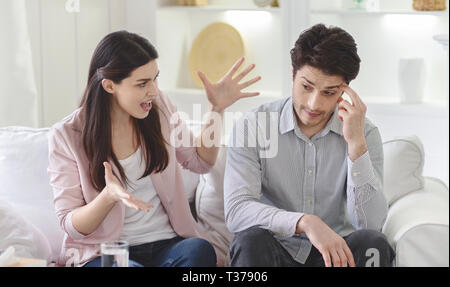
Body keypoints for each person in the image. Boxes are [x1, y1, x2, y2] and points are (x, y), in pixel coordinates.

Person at [47, 30, 261, 267]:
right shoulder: (67, 135)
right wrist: (108, 197)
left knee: (199, 251)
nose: (153, 90)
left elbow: (200, 162)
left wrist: (216, 109)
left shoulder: (159, 109)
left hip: (167, 245)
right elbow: (72, 226)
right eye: (142, 84)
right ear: (109, 86)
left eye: (155, 79)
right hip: (106, 252)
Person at [224, 23, 395, 267]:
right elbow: (237, 211)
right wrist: (304, 222)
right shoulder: (254, 126)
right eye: (306, 87)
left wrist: (356, 145)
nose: (314, 104)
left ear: (344, 90)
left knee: (373, 243)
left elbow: (371, 224)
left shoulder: (364, 132)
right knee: (250, 240)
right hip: (275, 251)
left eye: (329, 92)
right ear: (293, 75)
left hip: (336, 256)